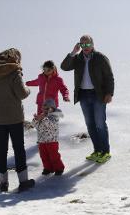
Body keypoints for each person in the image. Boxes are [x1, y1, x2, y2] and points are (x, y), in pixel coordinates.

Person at [0, 48, 35, 192]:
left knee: (1, 149)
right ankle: (23, 182)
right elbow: (22, 94)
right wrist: (28, 88)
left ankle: (3, 184)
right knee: (19, 148)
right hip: (14, 117)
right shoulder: (14, 72)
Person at [61, 35, 114, 164]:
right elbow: (64, 67)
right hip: (83, 95)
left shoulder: (100, 57)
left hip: (98, 95)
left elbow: (109, 76)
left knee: (100, 124)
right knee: (90, 124)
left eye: (87, 44)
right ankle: (97, 151)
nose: (85, 47)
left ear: (92, 44)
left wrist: (109, 93)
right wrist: (73, 52)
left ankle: (105, 152)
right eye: (82, 45)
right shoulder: (77, 58)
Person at [32, 98, 65, 175]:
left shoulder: (55, 116)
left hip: (52, 141)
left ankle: (59, 168)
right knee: (44, 156)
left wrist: (44, 118)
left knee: (54, 156)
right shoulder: (43, 116)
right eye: (44, 108)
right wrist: (36, 119)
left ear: (52, 109)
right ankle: (48, 168)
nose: (45, 110)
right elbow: (35, 126)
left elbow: (51, 125)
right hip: (41, 141)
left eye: (47, 109)